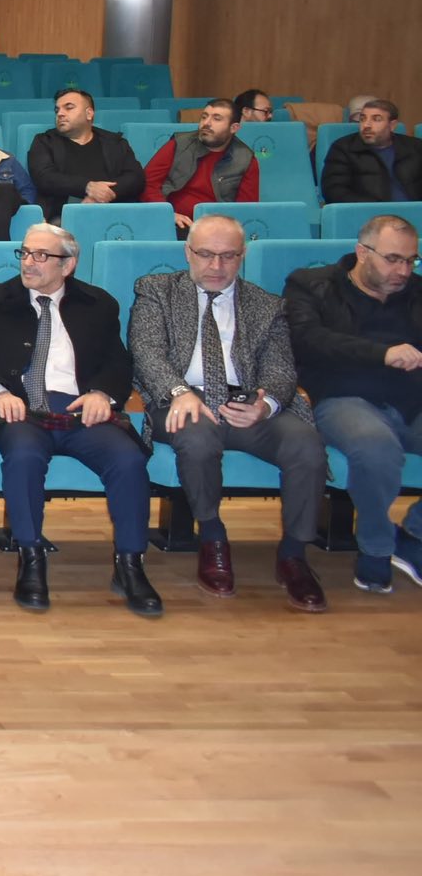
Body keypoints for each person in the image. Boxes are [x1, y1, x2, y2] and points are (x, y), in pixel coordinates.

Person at [128, 214, 328, 612]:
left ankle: (294, 555)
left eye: (228, 256)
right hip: (183, 400)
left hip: (246, 404)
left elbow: (281, 369)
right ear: (188, 253)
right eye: (206, 254)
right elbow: (146, 351)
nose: (216, 266)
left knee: (306, 445)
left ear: (242, 255)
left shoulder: (266, 305)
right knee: (197, 438)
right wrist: (180, 392)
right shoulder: (156, 291)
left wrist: (264, 405)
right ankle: (213, 538)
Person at [0, 223, 161, 615]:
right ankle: (31, 560)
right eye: (25, 253)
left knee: (128, 460)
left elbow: (118, 362)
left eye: (41, 256)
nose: (28, 263)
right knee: (23, 458)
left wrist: (103, 394)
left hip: (80, 410)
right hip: (20, 409)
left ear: (67, 265)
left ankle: (130, 565)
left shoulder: (98, 305)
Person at [283, 214, 422, 593]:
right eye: (393, 259)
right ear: (362, 252)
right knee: (376, 448)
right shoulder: (311, 285)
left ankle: (413, 533)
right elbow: (307, 340)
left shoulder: (417, 292)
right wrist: (383, 353)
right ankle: (377, 548)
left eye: (411, 260)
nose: (403, 271)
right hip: (341, 396)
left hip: (411, 399)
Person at [142, 98, 261, 230]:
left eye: (216, 119)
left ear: (234, 128)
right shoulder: (179, 144)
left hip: (216, 229)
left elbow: (245, 209)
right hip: (172, 222)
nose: (206, 123)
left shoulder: (245, 159)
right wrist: (167, 214)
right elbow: (148, 183)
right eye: (204, 117)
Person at [27, 89, 146, 220]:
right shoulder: (44, 141)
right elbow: (44, 177)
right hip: (62, 217)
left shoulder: (114, 142)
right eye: (57, 110)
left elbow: (136, 177)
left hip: (114, 214)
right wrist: (87, 186)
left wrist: (101, 195)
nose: (60, 113)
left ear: (89, 114)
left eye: (69, 108)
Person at [321, 98, 421, 203]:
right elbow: (333, 191)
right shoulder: (343, 149)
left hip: (414, 210)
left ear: (392, 125)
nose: (366, 125)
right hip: (367, 211)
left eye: (376, 119)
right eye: (363, 119)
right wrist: (373, 208)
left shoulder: (416, 147)